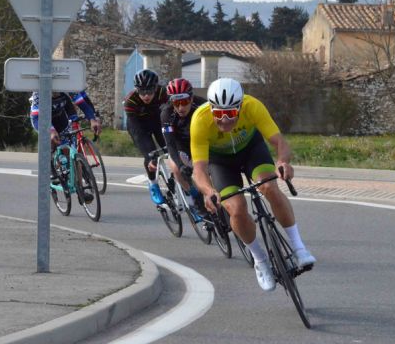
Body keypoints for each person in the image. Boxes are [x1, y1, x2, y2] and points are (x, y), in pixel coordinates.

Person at [190, 77, 315, 292]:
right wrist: (208, 190)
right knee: (236, 209)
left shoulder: (252, 106)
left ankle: (299, 248)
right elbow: (199, 169)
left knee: (269, 187)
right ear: (211, 109)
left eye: (230, 113)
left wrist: (282, 162)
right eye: (218, 113)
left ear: (240, 107)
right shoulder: (200, 120)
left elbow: (280, 142)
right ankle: (260, 260)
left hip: (251, 151)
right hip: (221, 162)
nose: (224, 120)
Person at [156, 78, 207, 219]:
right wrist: (180, 165)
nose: (180, 108)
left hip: (202, 142)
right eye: (176, 103)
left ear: (191, 98)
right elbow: (170, 144)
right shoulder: (167, 114)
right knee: (176, 169)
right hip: (181, 144)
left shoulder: (203, 105)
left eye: (184, 102)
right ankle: (195, 196)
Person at [124, 69, 168, 205]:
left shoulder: (163, 93)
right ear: (137, 90)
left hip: (158, 122)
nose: (146, 96)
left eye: (149, 91)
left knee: (172, 148)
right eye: (142, 92)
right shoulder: (130, 100)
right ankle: (153, 184)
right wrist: (150, 155)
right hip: (139, 126)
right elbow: (137, 132)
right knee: (151, 155)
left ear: (156, 88)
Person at [30, 90, 99, 148]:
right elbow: (36, 118)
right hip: (43, 120)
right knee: (51, 146)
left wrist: (92, 119)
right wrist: (51, 131)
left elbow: (83, 105)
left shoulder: (67, 86)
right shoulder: (38, 93)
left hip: (60, 118)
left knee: (67, 148)